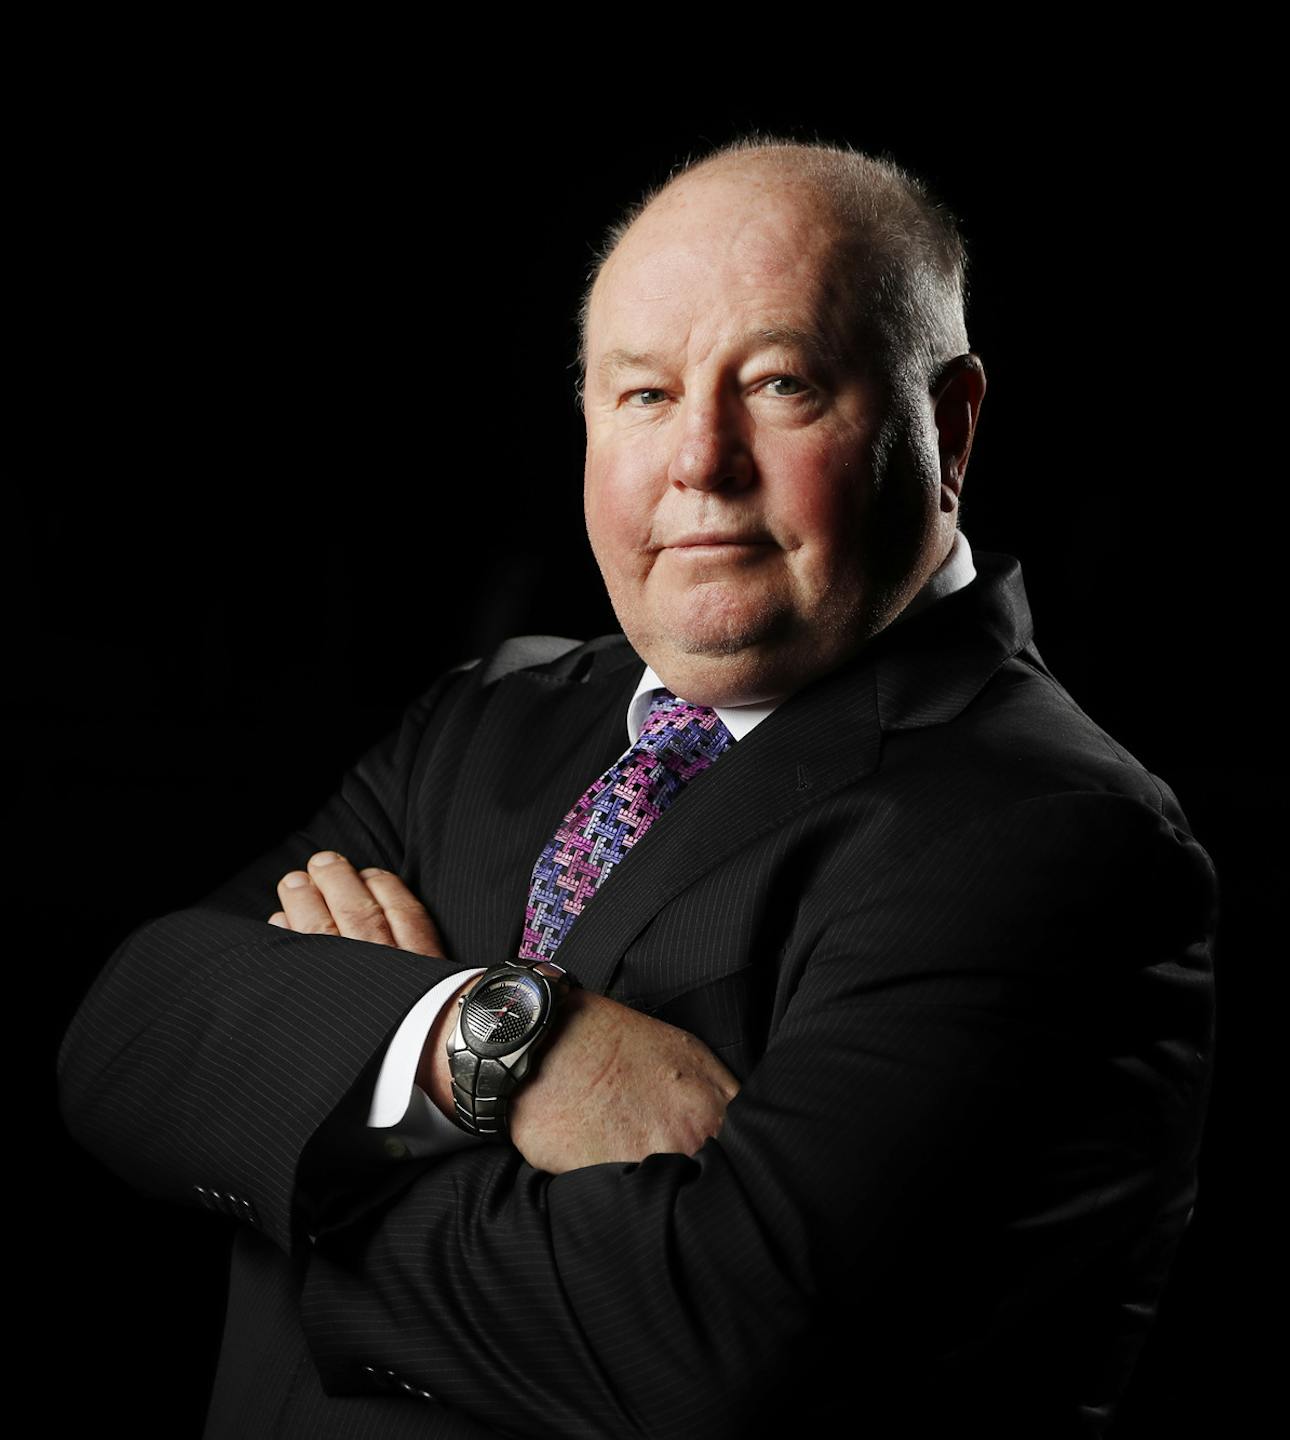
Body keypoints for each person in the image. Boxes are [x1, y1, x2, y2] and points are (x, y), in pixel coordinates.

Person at [59, 137, 1216, 1437]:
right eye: (645, 394)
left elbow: (708, 1346)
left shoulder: (1056, 838)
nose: (701, 461)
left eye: (779, 383)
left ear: (945, 429)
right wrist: (488, 1042)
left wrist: (320, 1156)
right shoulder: (487, 718)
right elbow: (127, 1037)